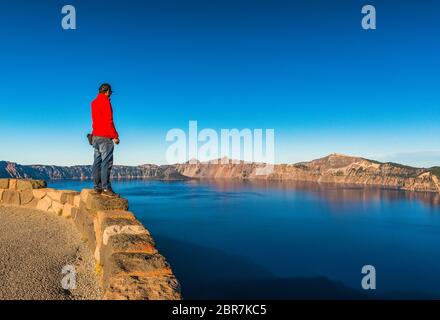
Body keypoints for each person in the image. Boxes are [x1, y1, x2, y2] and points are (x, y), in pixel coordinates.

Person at [90, 83, 120, 197]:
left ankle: (97, 187)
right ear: (107, 91)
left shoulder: (93, 103)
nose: (110, 95)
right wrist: (115, 136)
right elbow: (109, 121)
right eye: (110, 92)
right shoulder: (105, 102)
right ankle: (106, 189)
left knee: (97, 162)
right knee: (106, 163)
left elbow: (95, 121)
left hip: (95, 137)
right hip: (105, 137)